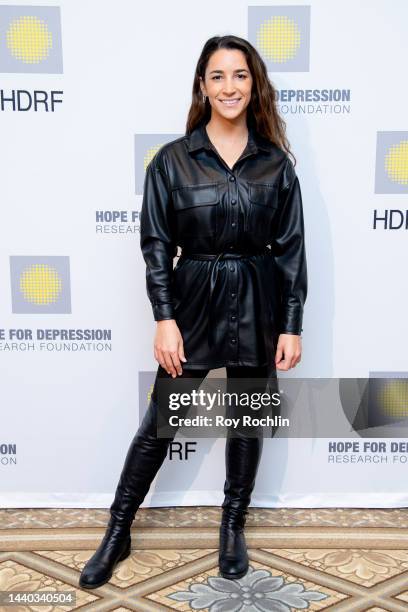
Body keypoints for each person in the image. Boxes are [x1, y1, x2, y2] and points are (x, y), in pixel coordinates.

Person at [79, 33, 307, 589]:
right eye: (218, 76)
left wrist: (291, 323)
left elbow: (292, 250)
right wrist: (164, 316)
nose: (229, 87)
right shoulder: (174, 161)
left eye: (240, 75)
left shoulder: (275, 165)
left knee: (246, 421)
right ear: (202, 87)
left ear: (255, 86)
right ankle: (118, 529)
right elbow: (156, 244)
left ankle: (232, 527)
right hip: (194, 299)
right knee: (161, 424)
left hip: (258, 299)